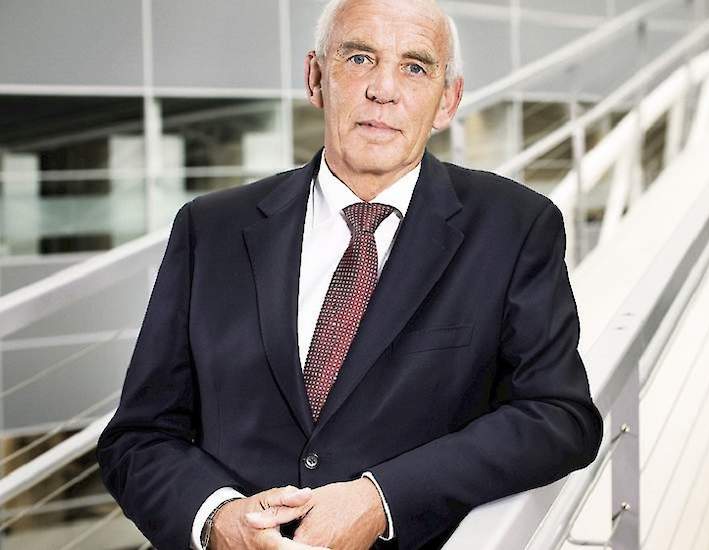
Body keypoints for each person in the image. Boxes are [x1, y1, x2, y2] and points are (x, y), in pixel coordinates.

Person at [96, 0, 603, 549]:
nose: (383, 90)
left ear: (447, 100)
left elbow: (558, 416)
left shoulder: (515, 226)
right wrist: (218, 520)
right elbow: (140, 436)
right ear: (316, 78)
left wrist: (383, 499)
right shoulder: (210, 228)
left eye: (415, 67)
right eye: (360, 58)